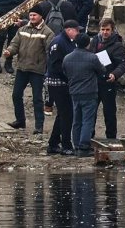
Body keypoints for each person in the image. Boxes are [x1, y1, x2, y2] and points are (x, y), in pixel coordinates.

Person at [4, 1, 54, 133]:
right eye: (31, 15)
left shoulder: (47, 32)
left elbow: (50, 51)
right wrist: (9, 51)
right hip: (22, 68)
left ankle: (39, 126)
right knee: (16, 95)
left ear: (41, 17)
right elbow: (15, 44)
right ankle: (20, 121)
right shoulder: (22, 30)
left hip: (37, 70)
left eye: (34, 15)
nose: (32, 17)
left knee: (37, 99)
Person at [63, 33, 106, 157]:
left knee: (76, 120)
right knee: (87, 120)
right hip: (89, 92)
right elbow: (102, 70)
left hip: (74, 92)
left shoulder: (67, 58)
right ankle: (84, 146)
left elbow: (65, 72)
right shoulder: (92, 58)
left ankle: (76, 145)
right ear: (88, 44)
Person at [46, 19, 80, 155]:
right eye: (77, 30)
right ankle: (66, 145)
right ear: (69, 30)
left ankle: (53, 143)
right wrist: (69, 75)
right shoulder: (59, 42)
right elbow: (55, 65)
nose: (78, 33)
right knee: (67, 115)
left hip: (63, 82)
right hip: (58, 83)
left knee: (63, 114)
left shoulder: (66, 42)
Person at [91, 17, 125, 139]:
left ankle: (111, 137)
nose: (105, 32)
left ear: (112, 30)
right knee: (91, 111)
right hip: (94, 81)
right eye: (103, 29)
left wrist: (115, 74)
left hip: (108, 82)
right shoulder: (94, 41)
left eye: (107, 30)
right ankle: (90, 136)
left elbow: (123, 64)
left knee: (109, 112)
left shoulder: (117, 45)